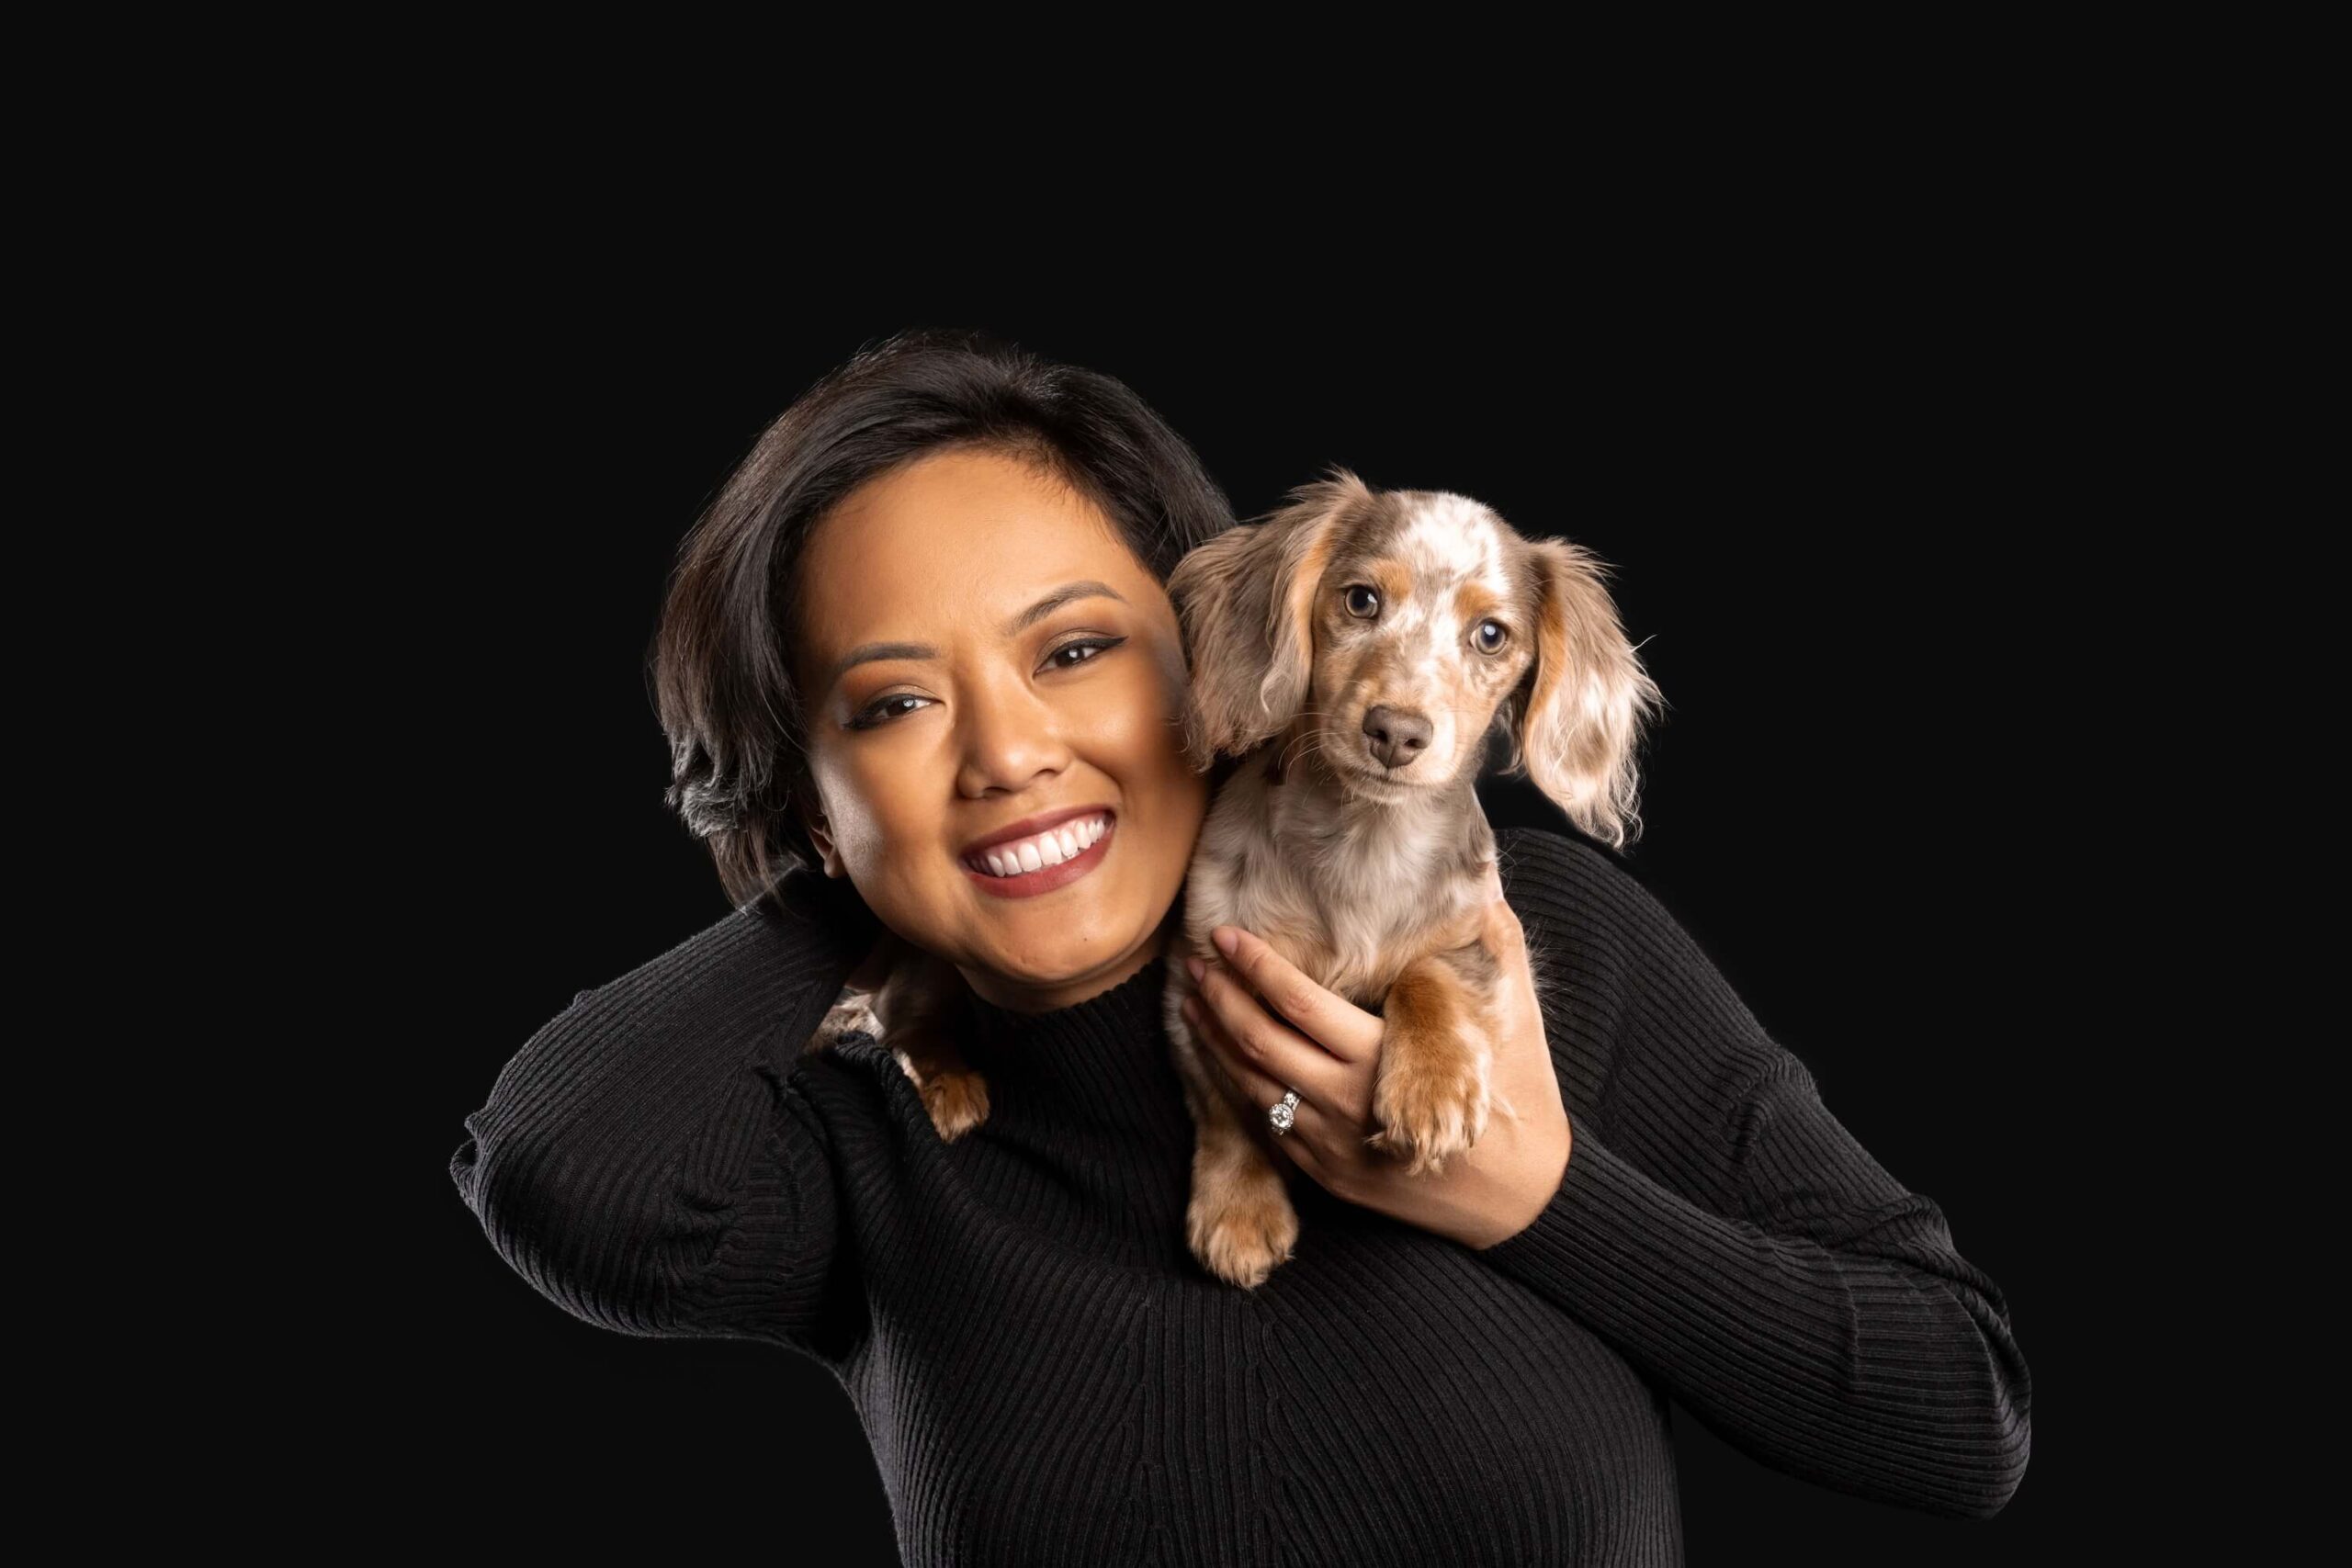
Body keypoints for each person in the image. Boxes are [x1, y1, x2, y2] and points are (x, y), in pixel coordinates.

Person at [448, 327, 2032, 1565]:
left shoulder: (1530, 946)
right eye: (898, 700)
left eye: (1074, 652)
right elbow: (555, 1172)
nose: (1008, 752)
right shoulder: (886, 1127)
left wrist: (1544, 1201)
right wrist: (877, 850)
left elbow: (1961, 1418)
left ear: (1226, 643)